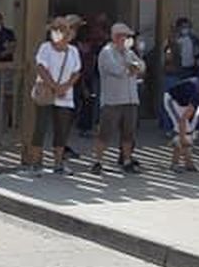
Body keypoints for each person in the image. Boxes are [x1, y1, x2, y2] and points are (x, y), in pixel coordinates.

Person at [26, 17, 82, 175]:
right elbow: (41, 68)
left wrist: (65, 86)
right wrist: (55, 86)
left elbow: (77, 72)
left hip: (65, 95)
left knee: (62, 129)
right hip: (47, 92)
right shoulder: (46, 48)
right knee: (41, 127)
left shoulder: (73, 51)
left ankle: (58, 164)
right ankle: (35, 163)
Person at [89, 22, 145, 175]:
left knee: (129, 133)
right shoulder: (106, 52)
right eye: (123, 36)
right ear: (115, 37)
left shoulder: (129, 52)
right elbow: (115, 70)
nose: (126, 39)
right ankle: (97, 161)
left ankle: (126, 160)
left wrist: (136, 66)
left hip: (131, 98)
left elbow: (142, 66)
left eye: (127, 36)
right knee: (105, 133)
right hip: (113, 100)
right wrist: (130, 68)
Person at [162, 77, 199, 173]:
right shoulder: (197, 94)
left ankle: (188, 162)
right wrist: (182, 138)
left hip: (185, 101)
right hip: (172, 100)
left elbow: (198, 111)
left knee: (188, 131)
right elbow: (182, 120)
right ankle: (175, 163)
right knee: (182, 130)